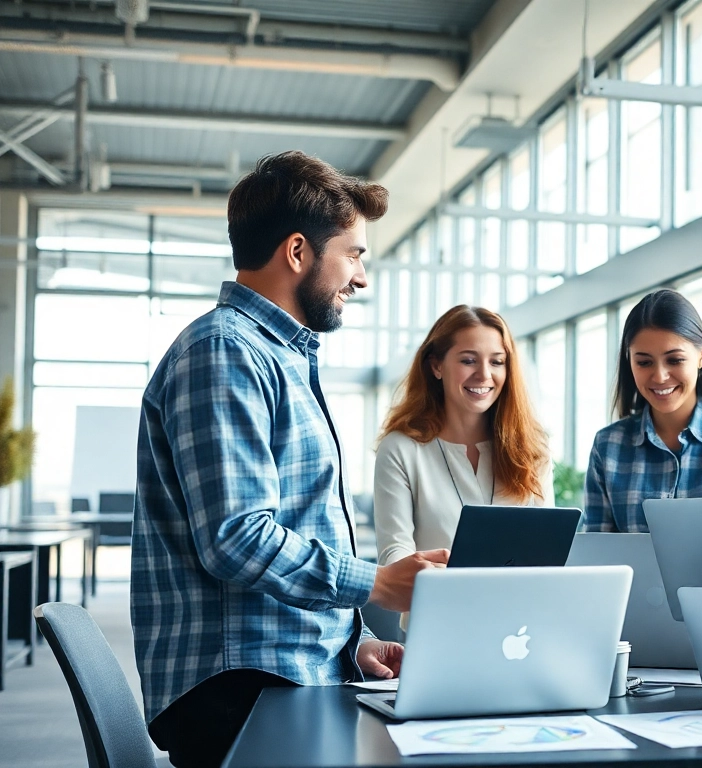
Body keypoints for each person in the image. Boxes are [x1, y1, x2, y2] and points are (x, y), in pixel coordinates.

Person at [131, 151, 449, 768]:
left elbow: (291, 531)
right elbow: (236, 538)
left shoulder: (279, 358)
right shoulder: (225, 352)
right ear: (298, 252)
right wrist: (378, 582)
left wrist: (349, 644)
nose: (361, 278)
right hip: (237, 691)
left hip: (280, 674)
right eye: (353, 255)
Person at [373, 305, 554, 577]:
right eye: (468, 360)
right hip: (436, 611)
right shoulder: (400, 449)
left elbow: (546, 549)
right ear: (436, 366)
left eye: (496, 362)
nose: (484, 374)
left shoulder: (532, 449)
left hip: (519, 614)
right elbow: (395, 553)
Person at [584, 289, 702, 532]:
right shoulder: (607, 446)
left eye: (674, 360)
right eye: (644, 362)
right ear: (629, 361)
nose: (660, 376)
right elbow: (598, 556)